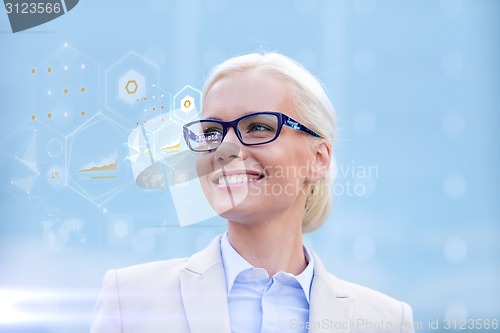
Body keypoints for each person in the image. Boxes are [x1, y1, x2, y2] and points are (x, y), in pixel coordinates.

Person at [90, 52, 414, 333]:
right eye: (212, 132)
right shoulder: (130, 300)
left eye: (258, 127)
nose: (226, 149)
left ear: (318, 159)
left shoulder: (384, 322)